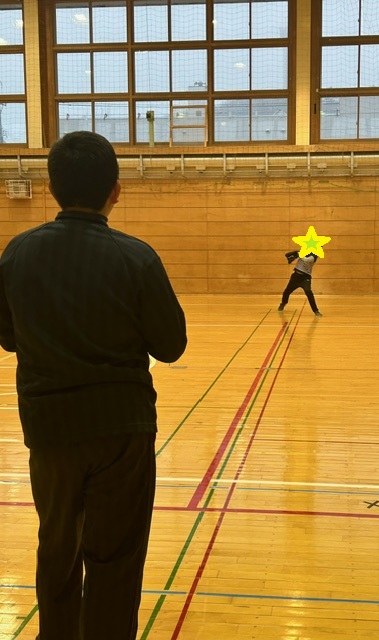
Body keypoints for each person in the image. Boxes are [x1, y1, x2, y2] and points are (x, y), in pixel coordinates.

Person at [0, 131, 187, 640]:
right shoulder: (136, 257)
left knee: (57, 547)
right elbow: (171, 346)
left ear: (51, 187)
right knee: (116, 557)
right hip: (121, 430)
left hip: (50, 430)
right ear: (116, 190)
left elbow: (8, 337)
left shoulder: (18, 252)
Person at [278, 250, 322, 317]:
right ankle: (283, 303)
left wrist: (300, 254)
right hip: (296, 276)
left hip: (305, 278)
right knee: (287, 291)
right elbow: (288, 254)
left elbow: (307, 260)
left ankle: (316, 310)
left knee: (308, 292)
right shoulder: (303, 251)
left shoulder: (315, 255)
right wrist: (294, 254)